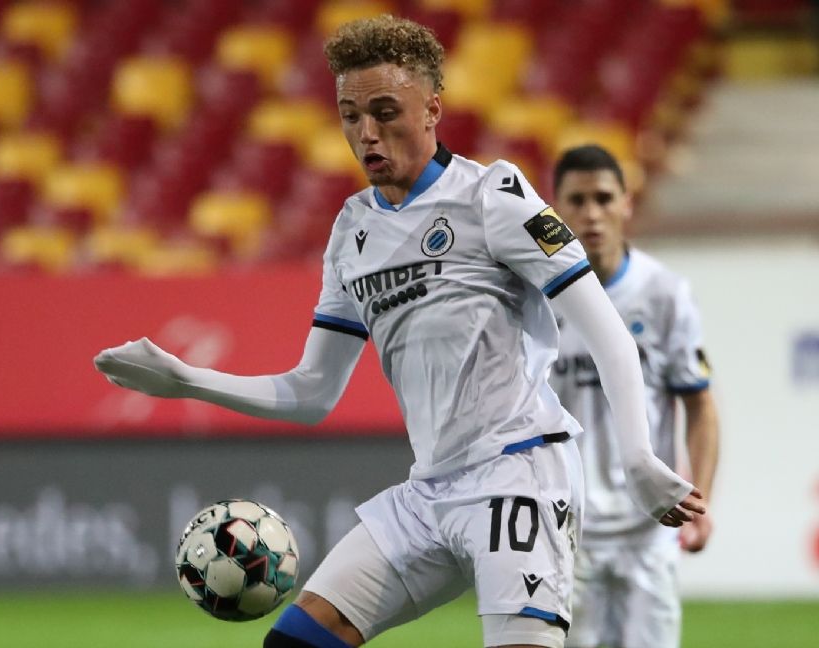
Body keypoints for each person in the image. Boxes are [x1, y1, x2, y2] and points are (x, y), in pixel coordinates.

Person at [94, 15, 704, 648]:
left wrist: (638, 456)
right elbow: (312, 392)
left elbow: (607, 332)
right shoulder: (352, 231)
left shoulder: (492, 195)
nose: (367, 133)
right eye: (350, 116)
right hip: (429, 491)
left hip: (519, 472)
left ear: (432, 108)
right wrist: (188, 380)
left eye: (386, 112)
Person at [550, 145, 719, 648]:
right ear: (555, 208)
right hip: (566, 531)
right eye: (577, 200)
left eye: (604, 198)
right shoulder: (535, 298)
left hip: (650, 529)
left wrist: (702, 500)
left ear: (626, 203)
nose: (591, 213)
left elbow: (700, 404)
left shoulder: (664, 294)